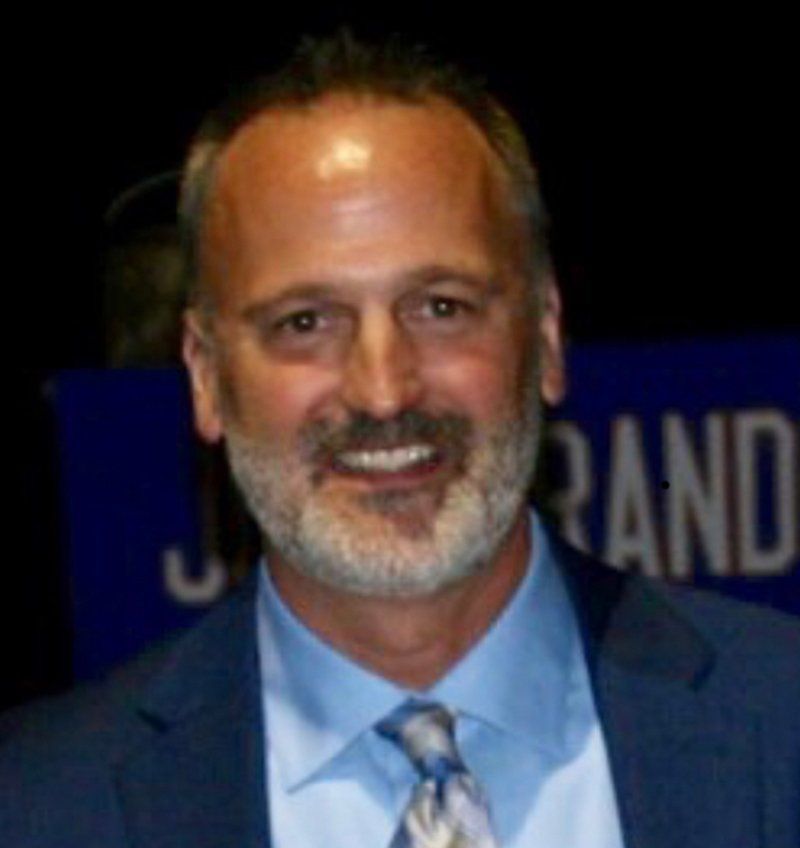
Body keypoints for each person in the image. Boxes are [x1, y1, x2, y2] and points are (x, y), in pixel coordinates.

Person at [2, 31, 798, 848]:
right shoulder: (40, 809)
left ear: (548, 336)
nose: (383, 391)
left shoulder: (783, 724)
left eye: (440, 307)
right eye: (305, 323)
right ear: (204, 375)